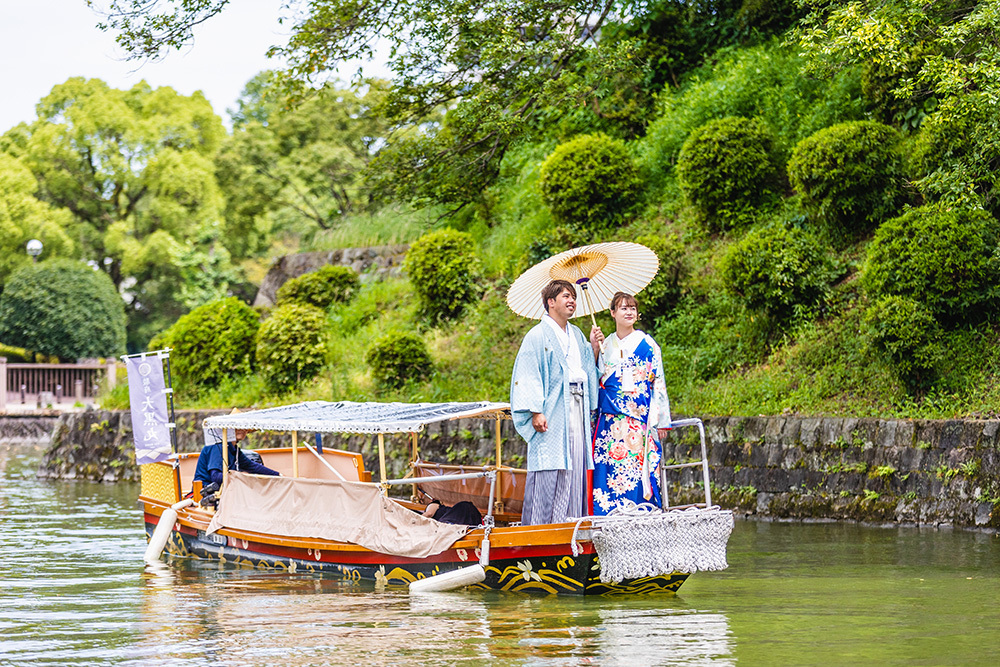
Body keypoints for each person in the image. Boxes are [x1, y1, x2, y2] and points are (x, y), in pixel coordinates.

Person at [510, 279, 601, 525]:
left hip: (577, 405)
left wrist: (593, 348)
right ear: (551, 302)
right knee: (551, 464)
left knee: (575, 462)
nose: (572, 300)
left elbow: (586, 369)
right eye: (565, 296)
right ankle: (541, 528)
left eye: (573, 296)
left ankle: (573, 524)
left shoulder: (577, 334)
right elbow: (528, 374)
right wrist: (535, 411)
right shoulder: (537, 335)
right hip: (552, 409)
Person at [589, 292, 671, 515]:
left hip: (637, 418)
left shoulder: (648, 344)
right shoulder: (606, 345)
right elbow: (595, 378)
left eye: (632, 308)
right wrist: (594, 350)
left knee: (635, 469)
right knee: (607, 467)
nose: (629, 312)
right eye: (623, 308)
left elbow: (658, 383)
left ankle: (640, 512)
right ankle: (606, 515)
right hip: (609, 420)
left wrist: (660, 420)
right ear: (613, 313)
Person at [193, 411, 280, 486]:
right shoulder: (218, 445)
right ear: (229, 428)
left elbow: (252, 466)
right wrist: (241, 477)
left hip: (226, 491)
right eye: (238, 427)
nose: (242, 430)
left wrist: (278, 475)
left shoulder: (235, 450)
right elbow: (215, 476)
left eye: (245, 428)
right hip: (206, 493)